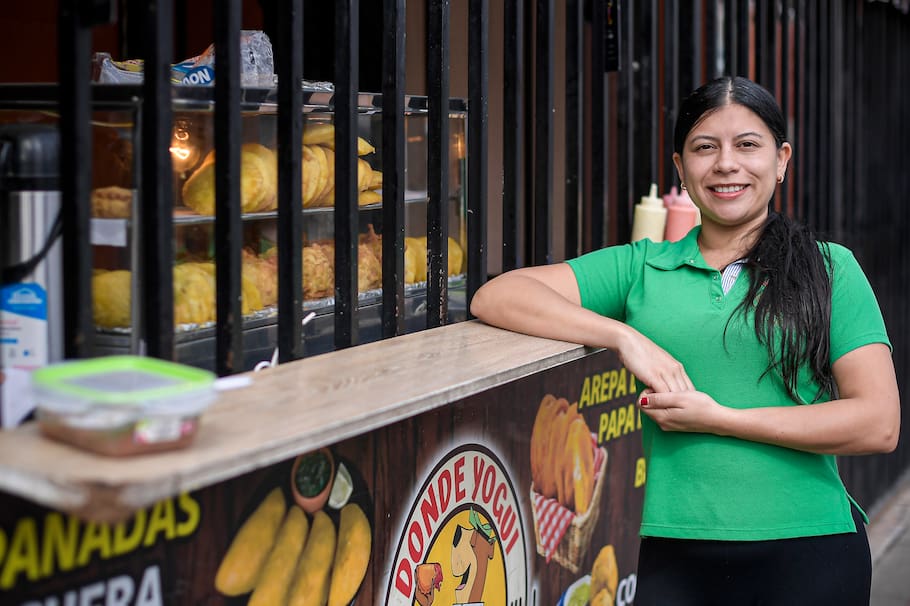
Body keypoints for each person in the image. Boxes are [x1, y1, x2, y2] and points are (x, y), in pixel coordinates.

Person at [470, 76, 900, 605]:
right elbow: (498, 296)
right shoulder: (643, 267)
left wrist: (719, 417)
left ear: (782, 159)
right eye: (704, 147)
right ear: (680, 166)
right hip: (676, 557)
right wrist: (623, 336)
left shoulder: (830, 268)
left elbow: (878, 424)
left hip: (810, 549)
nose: (726, 164)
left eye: (747, 145)